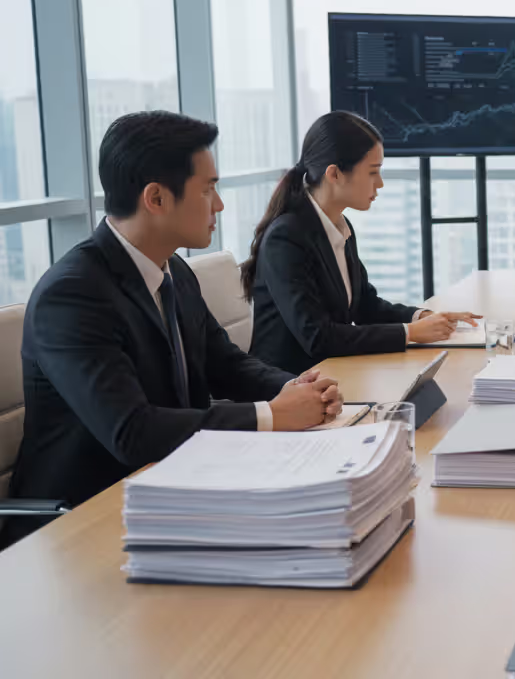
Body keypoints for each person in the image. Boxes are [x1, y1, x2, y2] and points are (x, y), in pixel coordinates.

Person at [0, 112, 342, 548]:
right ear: (157, 198)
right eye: (207, 188)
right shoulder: (72, 295)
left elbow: (227, 364)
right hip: (82, 526)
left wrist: (299, 387)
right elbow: (132, 432)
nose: (219, 204)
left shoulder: (174, 271)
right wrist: (274, 415)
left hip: (174, 489)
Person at [244, 111, 481, 374]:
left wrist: (423, 318)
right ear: (334, 174)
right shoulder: (286, 238)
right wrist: (410, 333)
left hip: (333, 375)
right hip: (289, 387)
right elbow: (318, 337)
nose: (379, 184)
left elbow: (365, 306)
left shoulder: (340, 227)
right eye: (372, 172)